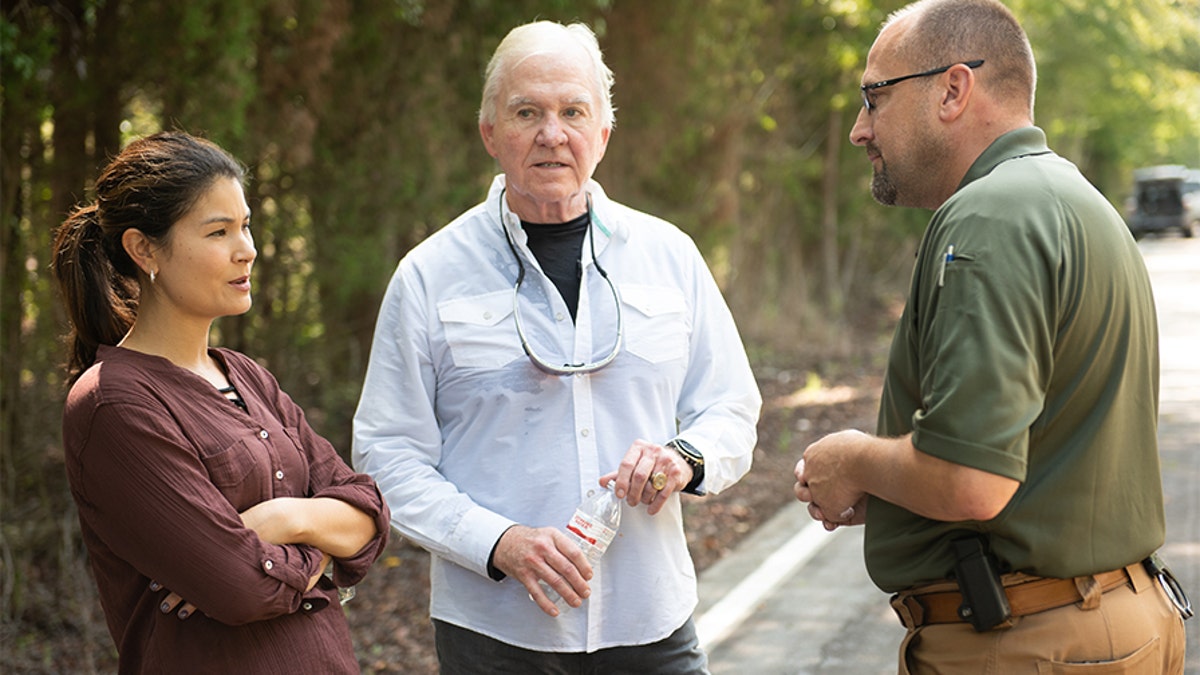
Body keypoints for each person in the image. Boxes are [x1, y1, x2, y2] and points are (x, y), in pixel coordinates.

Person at [792, 0, 1190, 672]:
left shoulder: (988, 217)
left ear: (953, 88)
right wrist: (897, 496)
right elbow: (1044, 450)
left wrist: (854, 458)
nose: (861, 129)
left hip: (1029, 644)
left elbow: (972, 480)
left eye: (874, 97)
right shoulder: (1074, 200)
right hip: (1117, 621)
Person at [352, 20, 761, 673]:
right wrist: (501, 542)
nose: (552, 132)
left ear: (603, 131)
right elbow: (386, 452)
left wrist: (685, 457)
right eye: (526, 112)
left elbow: (731, 407)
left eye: (573, 111)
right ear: (490, 132)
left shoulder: (669, 256)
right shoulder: (429, 274)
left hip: (650, 619)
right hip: (494, 633)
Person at [52, 131, 391, 673]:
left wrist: (279, 520)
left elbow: (369, 514)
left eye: (246, 226)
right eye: (219, 231)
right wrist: (321, 548)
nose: (247, 249)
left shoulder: (247, 376)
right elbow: (240, 588)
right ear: (143, 250)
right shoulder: (113, 404)